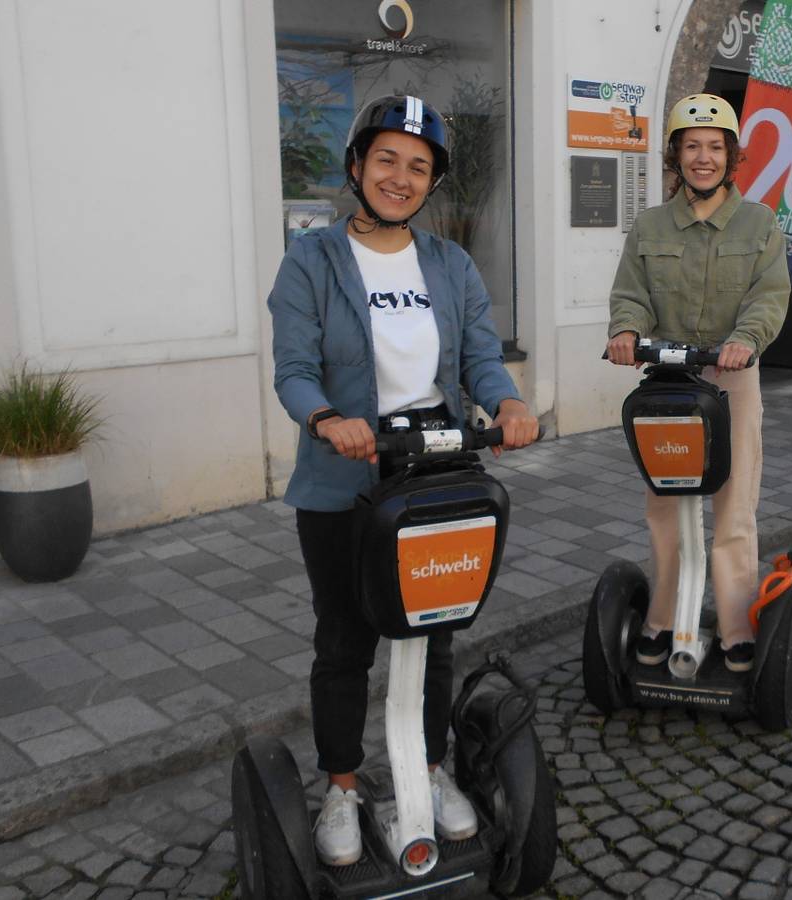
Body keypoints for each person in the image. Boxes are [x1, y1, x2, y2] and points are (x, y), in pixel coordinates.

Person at [267, 94, 540, 866]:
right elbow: (292, 371)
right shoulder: (311, 262)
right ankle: (344, 787)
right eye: (386, 159)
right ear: (357, 167)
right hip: (343, 483)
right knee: (345, 641)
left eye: (418, 167)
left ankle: (424, 767)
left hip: (438, 476)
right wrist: (326, 417)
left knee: (436, 637)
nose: (400, 177)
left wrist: (508, 400)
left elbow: (481, 356)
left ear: (431, 184)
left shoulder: (449, 264)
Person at [605, 93, 790, 673]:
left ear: (730, 156)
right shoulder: (651, 225)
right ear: (677, 156)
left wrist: (746, 339)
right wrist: (626, 329)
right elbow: (630, 292)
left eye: (714, 147)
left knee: (734, 507)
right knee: (665, 507)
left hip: (732, 380)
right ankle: (662, 617)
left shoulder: (759, 223)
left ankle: (736, 623)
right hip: (667, 383)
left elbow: (769, 294)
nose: (703, 158)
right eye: (692, 147)